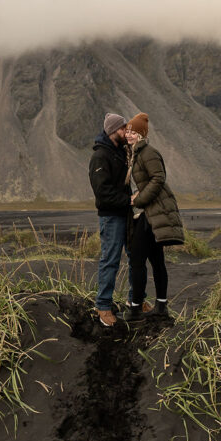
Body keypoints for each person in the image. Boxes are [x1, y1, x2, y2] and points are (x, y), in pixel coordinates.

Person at [123, 112, 184, 323]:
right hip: (149, 212)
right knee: (156, 260)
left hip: (152, 212)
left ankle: (135, 308)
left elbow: (158, 178)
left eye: (133, 132)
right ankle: (161, 306)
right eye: (128, 131)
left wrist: (138, 200)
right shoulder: (135, 153)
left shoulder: (148, 152)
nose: (129, 135)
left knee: (138, 259)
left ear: (142, 135)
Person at [89, 112, 131, 327]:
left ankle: (135, 301)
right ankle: (103, 306)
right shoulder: (100, 157)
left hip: (126, 214)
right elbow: (102, 193)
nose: (126, 132)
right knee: (111, 259)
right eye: (123, 128)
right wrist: (129, 200)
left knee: (135, 256)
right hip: (111, 217)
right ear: (113, 130)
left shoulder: (120, 152)